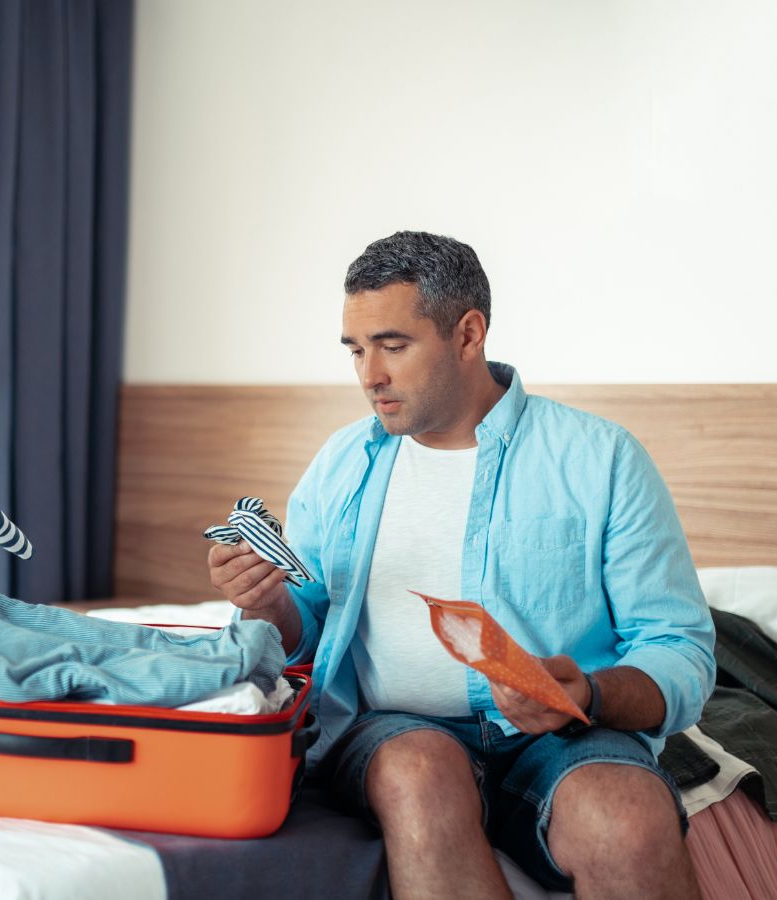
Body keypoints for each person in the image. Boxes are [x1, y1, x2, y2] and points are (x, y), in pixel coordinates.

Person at [208, 231, 716, 899]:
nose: (370, 376)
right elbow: (308, 625)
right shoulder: (341, 465)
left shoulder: (602, 460)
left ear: (468, 333)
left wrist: (584, 694)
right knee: (417, 774)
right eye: (357, 350)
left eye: (393, 346)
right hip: (398, 731)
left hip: (570, 733)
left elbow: (678, 648)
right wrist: (267, 604)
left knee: (624, 818)